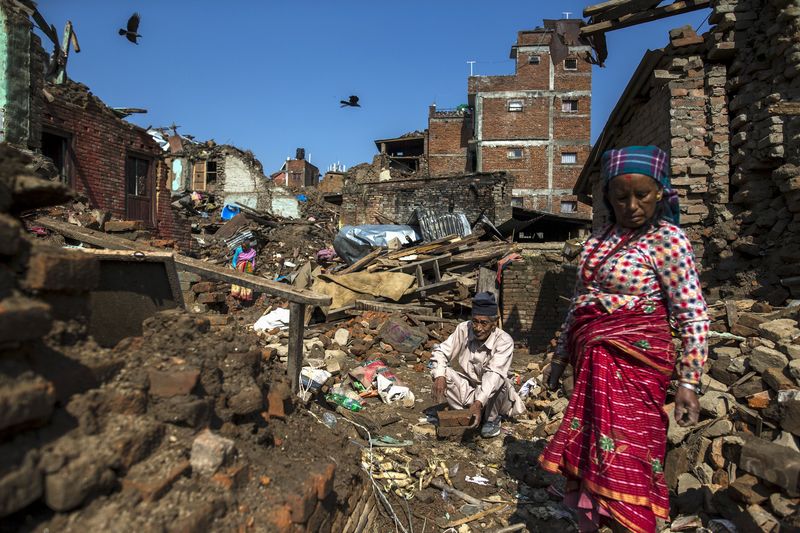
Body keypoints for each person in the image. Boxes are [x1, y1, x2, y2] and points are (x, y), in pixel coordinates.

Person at [539, 145, 708, 533]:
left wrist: (688, 382)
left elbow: (692, 312)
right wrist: (560, 358)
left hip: (638, 367)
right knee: (594, 453)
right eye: (620, 197)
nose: (632, 205)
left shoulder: (669, 241)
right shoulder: (598, 242)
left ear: (660, 192)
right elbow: (578, 305)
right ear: (608, 199)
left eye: (642, 195)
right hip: (593, 366)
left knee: (628, 456)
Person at [430, 292, 525, 438]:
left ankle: (491, 420)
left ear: (494, 323)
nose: (478, 328)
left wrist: (479, 402)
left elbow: (494, 375)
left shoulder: (504, 341)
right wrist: (440, 376)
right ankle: (466, 414)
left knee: (501, 382)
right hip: (470, 390)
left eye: (484, 323)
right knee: (442, 372)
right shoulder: (464, 329)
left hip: (494, 398)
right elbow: (441, 351)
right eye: (475, 321)